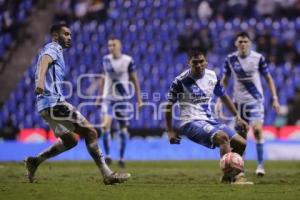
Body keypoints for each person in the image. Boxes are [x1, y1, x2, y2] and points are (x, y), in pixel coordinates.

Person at [24, 23, 130, 185]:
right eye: (65, 34)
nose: (69, 37)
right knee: (91, 133)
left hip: (44, 106)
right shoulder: (53, 48)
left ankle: (35, 161)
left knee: (71, 140)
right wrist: (40, 82)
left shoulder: (54, 50)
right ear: (55, 36)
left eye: (70, 35)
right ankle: (107, 174)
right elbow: (45, 60)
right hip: (54, 103)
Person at [165, 50, 253, 184]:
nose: (199, 65)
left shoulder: (212, 76)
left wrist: (237, 117)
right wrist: (170, 131)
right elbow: (168, 106)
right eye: (195, 62)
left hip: (210, 120)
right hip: (190, 122)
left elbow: (223, 97)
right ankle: (234, 177)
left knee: (241, 143)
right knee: (223, 137)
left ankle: (228, 176)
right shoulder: (180, 81)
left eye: (201, 61)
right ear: (189, 63)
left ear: (206, 62)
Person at [216, 32, 280, 176]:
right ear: (236, 44)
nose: (243, 44)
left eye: (245, 41)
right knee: (241, 138)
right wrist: (220, 100)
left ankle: (260, 166)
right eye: (240, 42)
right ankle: (240, 169)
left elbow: (268, 78)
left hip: (256, 101)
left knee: (257, 130)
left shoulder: (258, 58)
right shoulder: (230, 59)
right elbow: (225, 80)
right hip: (239, 104)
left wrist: (275, 98)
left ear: (250, 43)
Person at [96, 37, 143, 168]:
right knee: (105, 126)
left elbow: (134, 79)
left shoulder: (128, 60)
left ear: (120, 46)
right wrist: (99, 97)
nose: (111, 48)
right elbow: (103, 78)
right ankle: (108, 155)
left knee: (122, 130)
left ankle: (121, 157)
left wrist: (139, 99)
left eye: (113, 45)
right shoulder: (106, 59)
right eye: (109, 45)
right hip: (108, 98)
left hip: (123, 99)